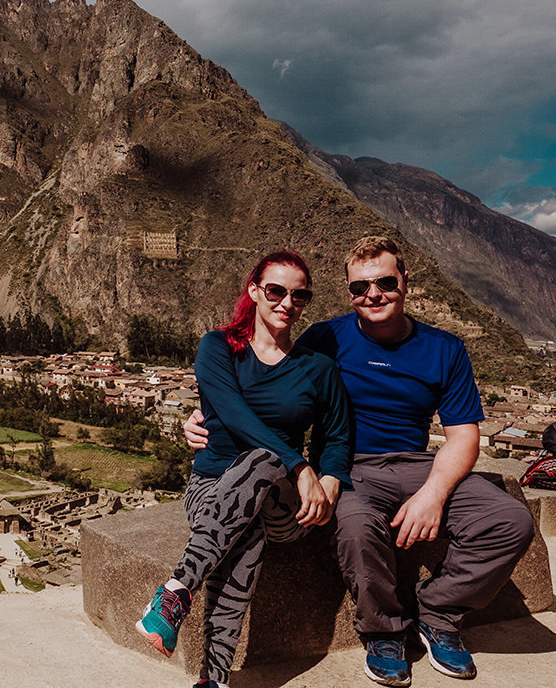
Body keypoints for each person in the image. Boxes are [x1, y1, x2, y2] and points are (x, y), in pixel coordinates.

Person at [184, 236, 535, 686]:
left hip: (419, 463)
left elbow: (464, 436)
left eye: (385, 282)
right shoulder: (326, 338)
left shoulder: (445, 348)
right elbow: (267, 388)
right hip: (354, 466)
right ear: (349, 292)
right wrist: (204, 419)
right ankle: (383, 632)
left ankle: (439, 612)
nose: (373, 294)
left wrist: (433, 494)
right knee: (355, 529)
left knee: (511, 521)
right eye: (359, 287)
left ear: (406, 282)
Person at [136, 250, 352, 688]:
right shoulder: (217, 347)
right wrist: (299, 463)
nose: (286, 302)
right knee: (244, 532)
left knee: (264, 459)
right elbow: (234, 415)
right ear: (255, 291)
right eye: (276, 290)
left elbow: (338, 438)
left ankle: (177, 590)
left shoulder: (318, 368)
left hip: (288, 508)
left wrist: (324, 482)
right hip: (211, 489)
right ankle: (212, 680)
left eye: (299, 295)